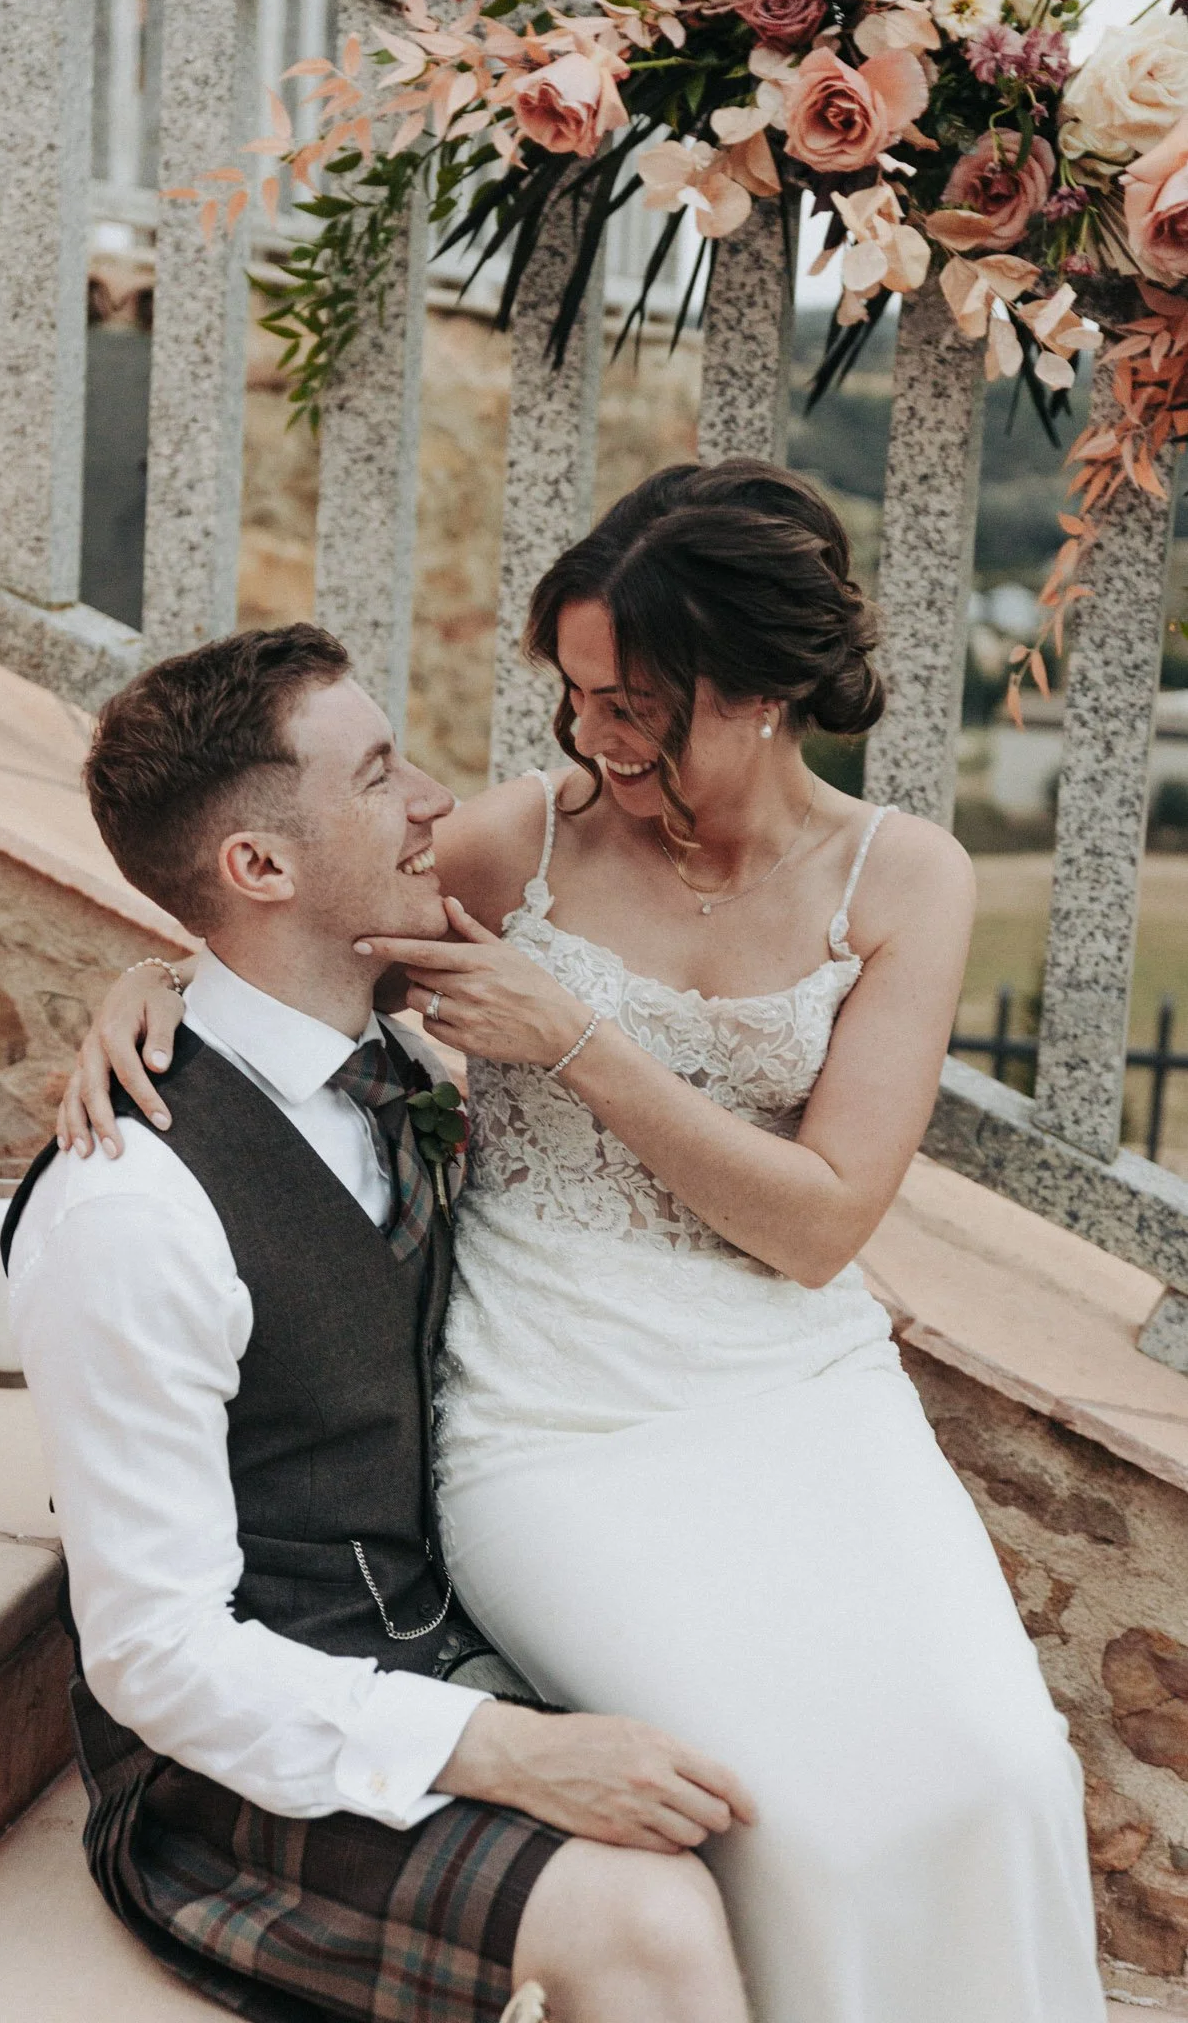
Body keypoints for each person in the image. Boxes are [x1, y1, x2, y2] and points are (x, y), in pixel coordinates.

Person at [62, 461, 1108, 2023]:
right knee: (797, 1807)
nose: (590, 737)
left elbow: (824, 1227)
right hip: (550, 1402)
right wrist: (141, 987)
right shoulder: (525, 847)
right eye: (579, 695)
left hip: (791, 1373)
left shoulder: (908, 881)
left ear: (756, 693)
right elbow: (284, 919)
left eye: (633, 705)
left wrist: (582, 1050)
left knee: (1006, 1767)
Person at [6, 623, 755, 2023]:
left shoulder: (395, 1046)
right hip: (234, 1763)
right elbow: (157, 1656)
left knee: (794, 1788)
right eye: (380, 774)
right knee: (649, 1922)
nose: (434, 806)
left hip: (449, 1624)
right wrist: (506, 1755)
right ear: (262, 868)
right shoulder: (127, 1213)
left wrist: (158, 973)